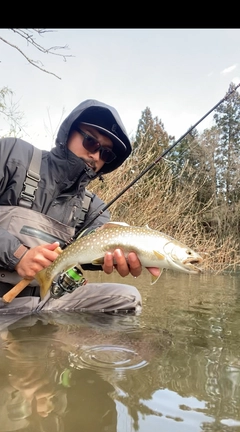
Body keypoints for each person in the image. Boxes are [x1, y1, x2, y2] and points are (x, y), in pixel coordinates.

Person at [0, 98, 159, 320]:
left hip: (39, 303)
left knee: (126, 298)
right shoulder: (13, 154)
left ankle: (67, 345)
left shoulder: (94, 208)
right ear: (69, 132)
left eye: (106, 153)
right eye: (91, 142)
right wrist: (18, 255)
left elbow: (94, 253)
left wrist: (128, 256)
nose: (95, 155)